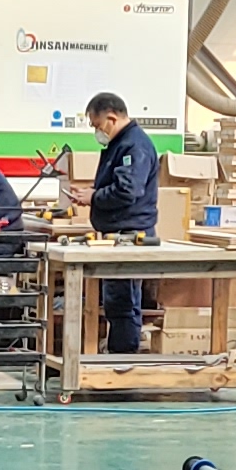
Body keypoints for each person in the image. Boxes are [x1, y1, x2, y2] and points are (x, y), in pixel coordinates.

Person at [84, 91, 159, 353]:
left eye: (97, 125)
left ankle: (122, 359)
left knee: (123, 300)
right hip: (118, 232)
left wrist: (94, 197)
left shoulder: (134, 146)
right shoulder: (120, 144)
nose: (97, 132)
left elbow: (128, 190)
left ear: (112, 118)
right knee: (117, 299)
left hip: (130, 233)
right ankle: (119, 353)